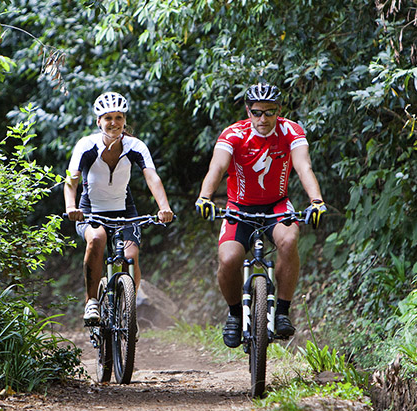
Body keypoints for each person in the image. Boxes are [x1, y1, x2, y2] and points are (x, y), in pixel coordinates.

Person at [194, 82, 327, 347]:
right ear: (248, 110)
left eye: (269, 112)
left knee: (289, 241)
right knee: (229, 258)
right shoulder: (234, 134)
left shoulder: (291, 131)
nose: (263, 118)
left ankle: (282, 312)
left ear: (279, 110)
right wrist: (205, 197)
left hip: (276, 205)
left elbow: (303, 166)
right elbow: (217, 167)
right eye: (256, 112)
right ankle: (234, 314)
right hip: (239, 207)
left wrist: (316, 201)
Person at [64, 91, 175, 326]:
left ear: (124, 120)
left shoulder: (135, 146)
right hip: (90, 211)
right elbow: (71, 181)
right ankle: (91, 301)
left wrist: (164, 207)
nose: (113, 122)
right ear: (99, 122)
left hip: (125, 212)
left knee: (130, 256)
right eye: (108, 118)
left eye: (118, 117)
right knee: (97, 237)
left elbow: (151, 177)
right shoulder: (86, 146)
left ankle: (128, 308)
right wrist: (71, 206)